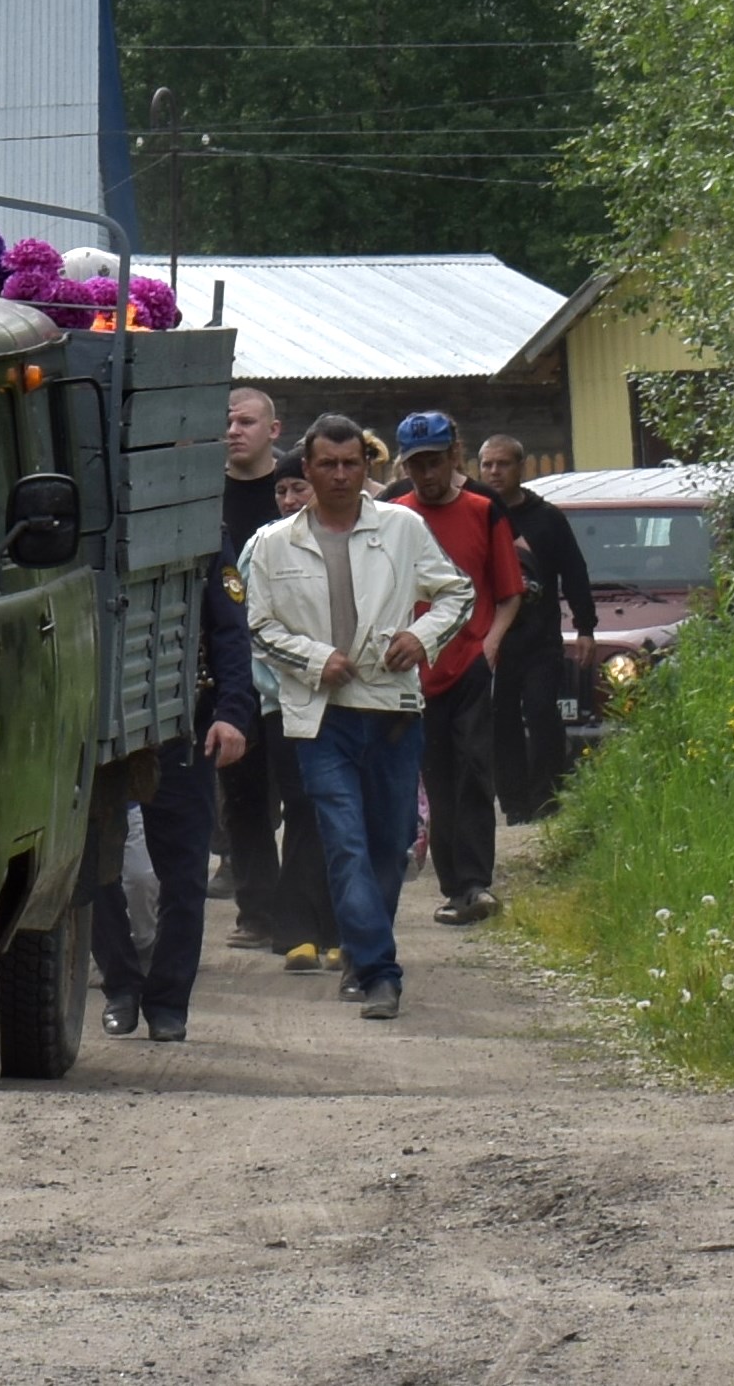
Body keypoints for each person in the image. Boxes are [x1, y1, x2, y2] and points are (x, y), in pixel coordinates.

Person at [241, 413, 470, 1022]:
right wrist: (318, 659)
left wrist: (421, 638)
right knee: (342, 842)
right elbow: (259, 626)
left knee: (389, 845)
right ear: (306, 469)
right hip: (320, 716)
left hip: (392, 711)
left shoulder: (402, 527)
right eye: (328, 465)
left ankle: (362, 953)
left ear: (366, 467)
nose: (341, 475)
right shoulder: (272, 544)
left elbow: (458, 593)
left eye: (351, 464)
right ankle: (378, 972)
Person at [90, 512, 258, 1041]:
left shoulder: (205, 528)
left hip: (182, 723)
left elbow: (230, 631)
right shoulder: (94, 520)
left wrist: (232, 712)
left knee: (183, 873)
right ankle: (120, 985)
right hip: (101, 724)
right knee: (95, 868)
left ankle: (168, 1001)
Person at [214, 393, 340, 972]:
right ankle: (257, 908)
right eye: (227, 422)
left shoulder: (299, 495)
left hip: (297, 677)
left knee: (299, 796)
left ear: (274, 429)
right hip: (232, 667)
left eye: (245, 422)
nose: (233, 432)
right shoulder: (207, 496)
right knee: (242, 799)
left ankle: (298, 910)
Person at [387, 413, 523, 926]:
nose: (427, 473)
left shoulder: (484, 511)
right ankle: (453, 888)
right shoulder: (394, 516)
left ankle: (475, 883)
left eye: (436, 461)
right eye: (417, 464)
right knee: (436, 780)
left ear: (455, 457)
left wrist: (490, 644)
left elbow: (509, 594)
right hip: (414, 670)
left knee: (472, 771)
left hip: (468, 661)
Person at [475, 434, 596, 823]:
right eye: (487, 464)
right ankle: (513, 804)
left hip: (540, 638)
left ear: (520, 468)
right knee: (500, 722)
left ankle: (547, 797)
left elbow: (575, 573)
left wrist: (586, 628)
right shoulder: (477, 513)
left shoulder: (547, 518)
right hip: (492, 640)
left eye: (503, 464)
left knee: (544, 715)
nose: (494, 472)